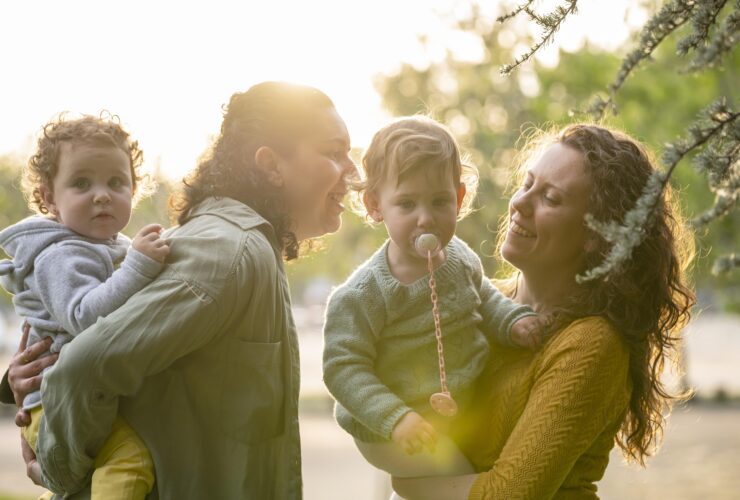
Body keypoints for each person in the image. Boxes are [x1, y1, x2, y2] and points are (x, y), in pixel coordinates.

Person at [1, 81, 356, 499]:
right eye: (334, 153)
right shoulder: (229, 253)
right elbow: (86, 364)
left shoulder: (243, 247)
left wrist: (18, 381)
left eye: (118, 182)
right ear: (271, 165)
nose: (354, 171)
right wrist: (58, 469)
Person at [391, 124, 695, 499]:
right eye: (526, 183)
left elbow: (509, 495)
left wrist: (407, 486)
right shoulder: (475, 302)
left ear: (595, 235)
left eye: (550, 198)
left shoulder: (591, 344)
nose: (520, 203)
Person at [322, 116, 545, 486]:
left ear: (458, 199)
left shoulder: (460, 257)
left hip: (454, 409)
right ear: (375, 205)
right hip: (389, 427)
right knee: (458, 479)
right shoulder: (364, 295)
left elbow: (484, 297)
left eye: (439, 201)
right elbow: (343, 369)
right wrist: (395, 418)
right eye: (407, 204)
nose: (426, 218)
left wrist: (511, 321)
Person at [0, 114, 169, 499]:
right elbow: (83, 318)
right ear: (48, 197)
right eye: (81, 183)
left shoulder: (111, 248)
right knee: (129, 460)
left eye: (116, 182)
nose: (101, 194)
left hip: (74, 397)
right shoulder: (59, 254)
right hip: (53, 404)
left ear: (134, 189)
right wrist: (140, 267)